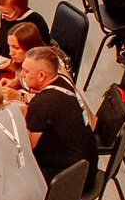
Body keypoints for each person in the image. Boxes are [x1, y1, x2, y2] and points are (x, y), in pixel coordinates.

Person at [21, 44, 96, 178]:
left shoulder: (41, 103)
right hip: (86, 165)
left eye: (26, 71)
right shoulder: (64, 81)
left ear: (41, 76)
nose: (22, 75)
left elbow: (27, 148)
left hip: (68, 178)